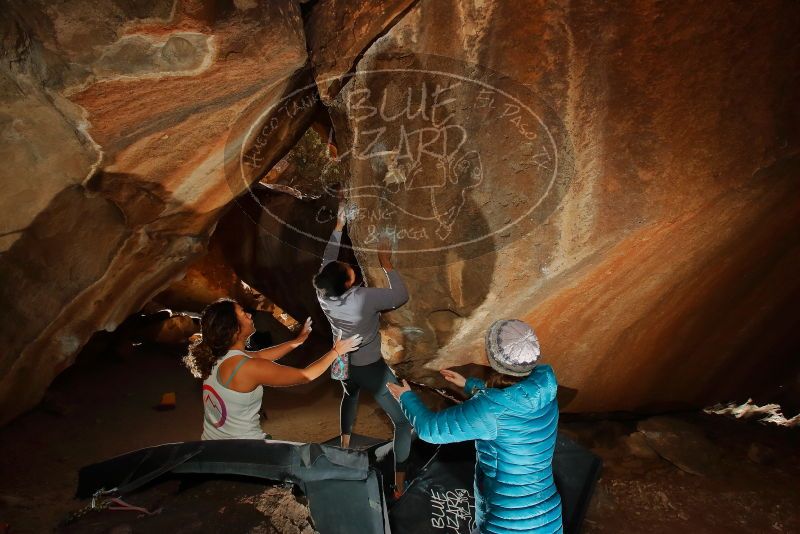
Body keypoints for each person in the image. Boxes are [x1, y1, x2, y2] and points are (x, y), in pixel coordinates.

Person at [387, 319, 563, 534]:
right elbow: (512, 402)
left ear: (494, 358)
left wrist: (406, 398)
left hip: (509, 523)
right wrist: (470, 385)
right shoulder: (544, 386)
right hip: (549, 514)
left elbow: (430, 429)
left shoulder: (489, 409)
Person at [313, 198, 412, 498]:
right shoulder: (364, 299)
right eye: (347, 268)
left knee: (349, 395)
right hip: (372, 370)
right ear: (349, 281)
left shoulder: (322, 292)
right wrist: (387, 264)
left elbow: (328, 260)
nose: (346, 263)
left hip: (344, 365)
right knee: (403, 423)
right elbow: (400, 296)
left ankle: (344, 445)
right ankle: (399, 485)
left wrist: (339, 225)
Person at [183, 298, 362, 440]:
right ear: (234, 329)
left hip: (212, 444)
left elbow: (260, 355)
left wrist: (296, 341)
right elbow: (305, 376)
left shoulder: (219, 356)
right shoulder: (248, 367)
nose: (250, 315)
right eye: (243, 314)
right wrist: (336, 351)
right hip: (244, 448)